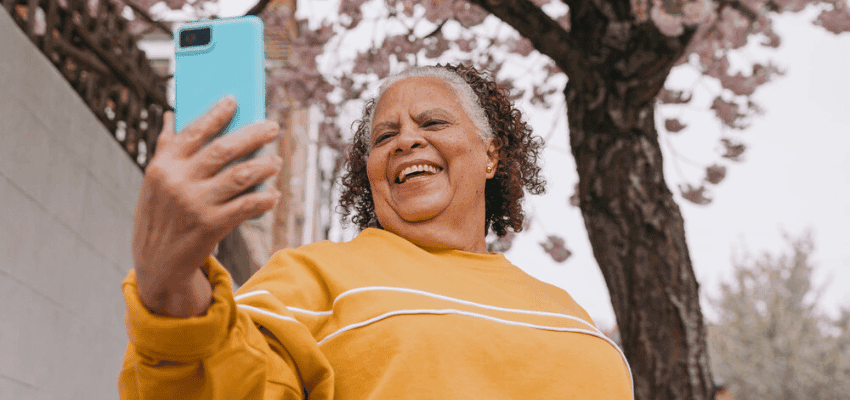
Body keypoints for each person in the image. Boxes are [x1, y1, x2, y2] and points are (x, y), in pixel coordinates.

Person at [119, 64, 634, 399]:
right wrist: (169, 287)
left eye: (432, 123)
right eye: (385, 136)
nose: (406, 140)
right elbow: (226, 383)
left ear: (492, 154)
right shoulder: (313, 276)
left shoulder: (568, 311)